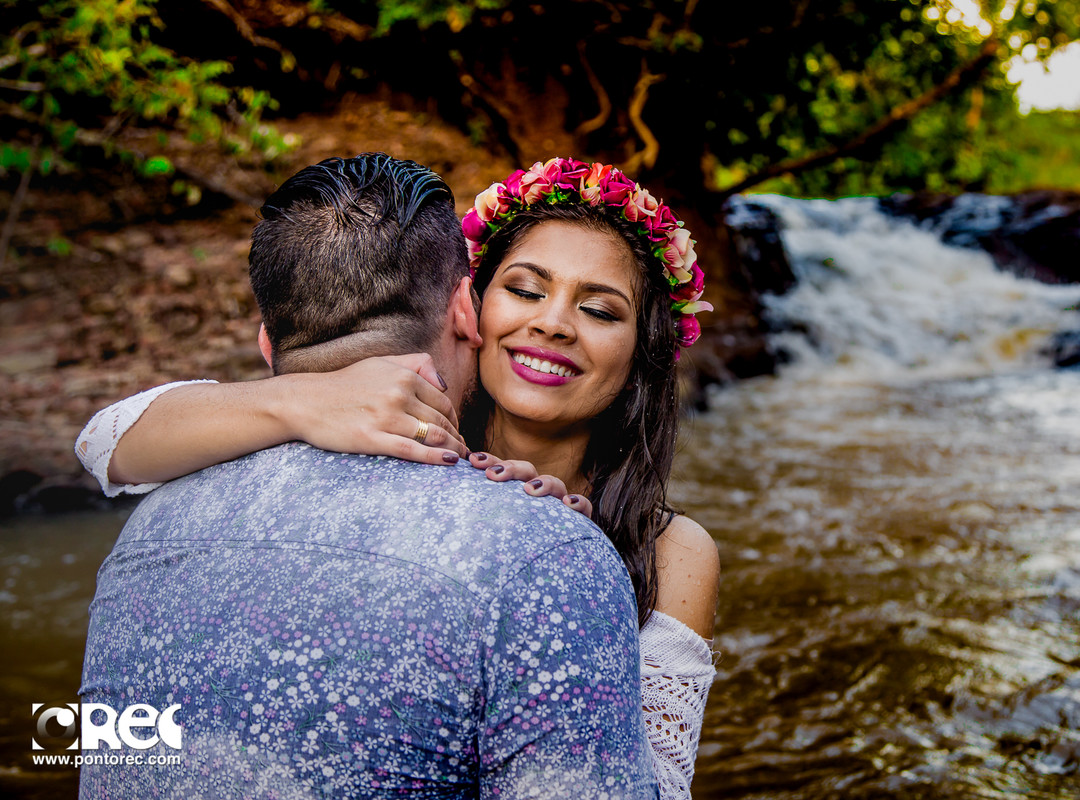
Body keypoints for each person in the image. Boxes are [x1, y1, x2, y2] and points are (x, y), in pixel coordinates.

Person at [77, 156, 720, 798]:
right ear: (468, 308)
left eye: (601, 311)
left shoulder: (671, 552)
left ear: (644, 347)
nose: (552, 323)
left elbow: (655, 783)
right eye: (525, 290)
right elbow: (107, 442)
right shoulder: (372, 425)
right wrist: (300, 399)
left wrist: (570, 576)